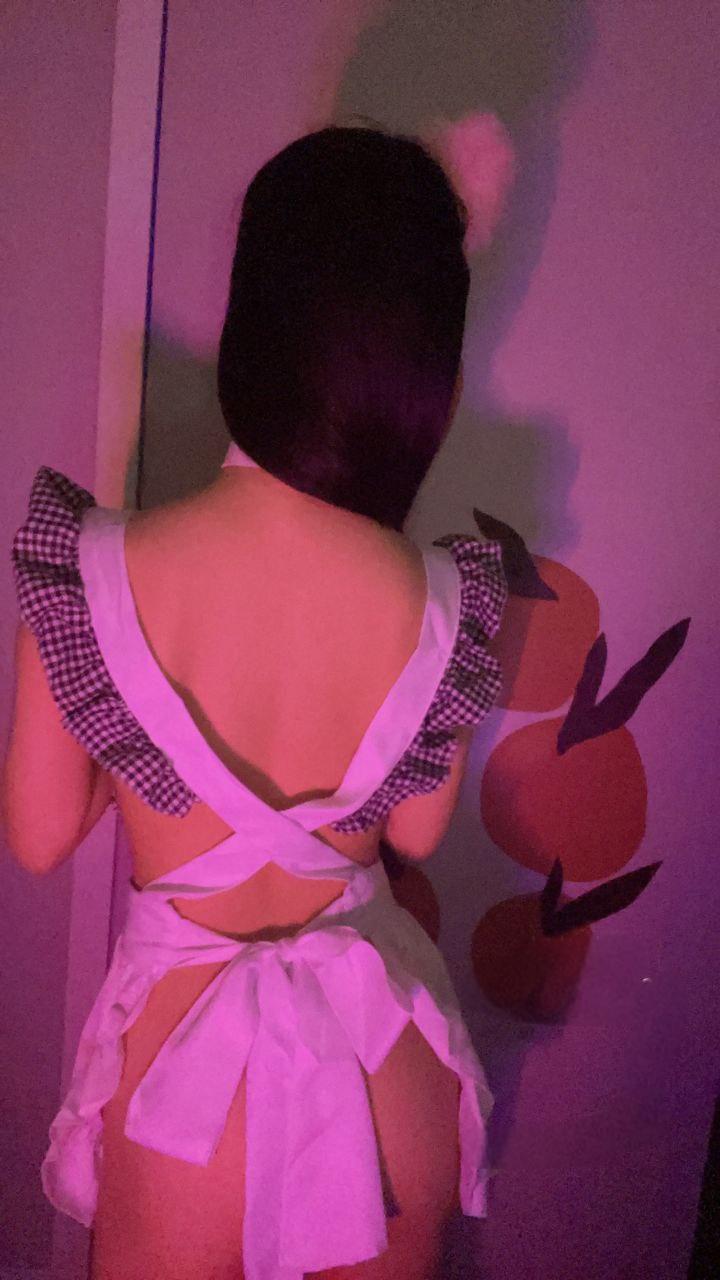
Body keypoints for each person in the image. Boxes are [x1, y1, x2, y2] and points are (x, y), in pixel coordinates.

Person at [8, 122, 510, 1280]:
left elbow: (38, 833)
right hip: (385, 1079)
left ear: (254, 322)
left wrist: (137, 718)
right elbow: (417, 828)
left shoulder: (93, 570)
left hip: (190, 1104)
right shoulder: (443, 597)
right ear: (426, 370)